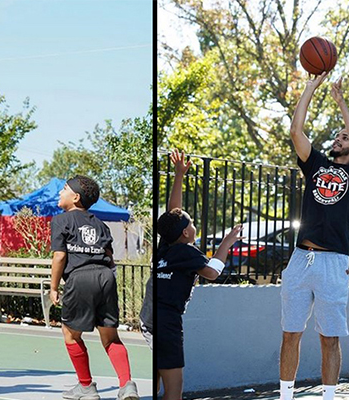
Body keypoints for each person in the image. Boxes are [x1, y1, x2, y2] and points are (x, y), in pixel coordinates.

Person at [279, 72, 349, 400]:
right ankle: (286, 396)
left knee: (329, 338)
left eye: (343, 137)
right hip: (302, 258)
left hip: (334, 262)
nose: (340, 139)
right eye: (337, 136)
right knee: (291, 334)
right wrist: (310, 87)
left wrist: (340, 100)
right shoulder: (316, 165)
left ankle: (328, 397)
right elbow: (295, 130)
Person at [157, 149, 243, 400]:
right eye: (191, 223)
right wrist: (227, 242)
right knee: (174, 389)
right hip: (168, 322)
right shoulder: (186, 252)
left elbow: (175, 213)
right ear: (185, 232)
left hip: (149, 321)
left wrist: (179, 175)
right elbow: (213, 272)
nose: (193, 225)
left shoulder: (166, 246)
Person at [50, 175, 139, 400]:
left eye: (64, 189)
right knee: (110, 337)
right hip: (105, 277)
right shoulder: (100, 224)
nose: (60, 192)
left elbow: (60, 256)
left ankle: (86, 386)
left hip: (80, 278)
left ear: (76, 197)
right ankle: (127, 385)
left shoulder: (61, 221)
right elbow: (110, 258)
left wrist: (53, 287)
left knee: (70, 334)